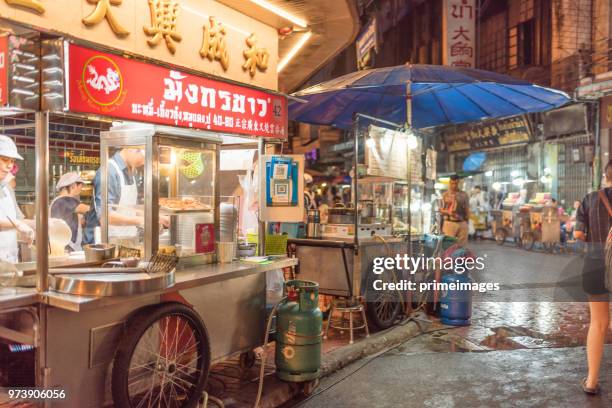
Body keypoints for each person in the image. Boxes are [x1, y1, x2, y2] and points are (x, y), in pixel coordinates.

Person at [574, 159, 612, 395]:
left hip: (595, 265)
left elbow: (578, 233)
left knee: (598, 323)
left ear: (606, 176)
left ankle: (591, 381)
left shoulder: (589, 199)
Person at [83, 148, 169, 246]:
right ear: (132, 149)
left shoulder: (133, 172)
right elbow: (105, 217)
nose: (143, 163)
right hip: (105, 244)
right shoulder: (109, 171)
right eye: (145, 158)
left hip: (128, 241)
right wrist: (143, 220)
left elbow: (131, 210)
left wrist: (156, 217)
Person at [0, 135, 33, 263]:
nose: (9, 166)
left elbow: (19, 220)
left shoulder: (7, 189)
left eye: (12, 161)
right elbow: (17, 223)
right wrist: (17, 225)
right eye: (4, 159)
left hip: (9, 262)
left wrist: (44, 224)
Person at [50, 172, 90, 251]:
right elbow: (86, 209)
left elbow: (78, 222)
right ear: (73, 186)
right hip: (65, 248)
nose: (80, 190)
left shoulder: (63, 202)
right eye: (80, 187)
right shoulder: (63, 200)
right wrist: (104, 209)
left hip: (68, 247)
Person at [440, 175, 470, 247]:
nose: (454, 185)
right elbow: (440, 209)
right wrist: (448, 212)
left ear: (458, 183)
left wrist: (466, 222)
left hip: (462, 223)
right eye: (452, 183)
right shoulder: (445, 195)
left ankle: (460, 258)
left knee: (462, 247)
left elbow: (467, 208)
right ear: (449, 183)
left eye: (456, 183)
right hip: (449, 223)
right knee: (448, 246)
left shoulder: (464, 195)